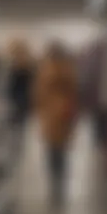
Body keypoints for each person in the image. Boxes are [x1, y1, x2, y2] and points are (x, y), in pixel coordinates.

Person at [33, 42, 79, 205]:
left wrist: (40, 109)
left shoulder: (47, 69)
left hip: (55, 115)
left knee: (54, 152)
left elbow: (39, 94)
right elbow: (74, 92)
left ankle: (56, 187)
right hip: (60, 115)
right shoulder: (68, 69)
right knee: (59, 152)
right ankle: (58, 187)